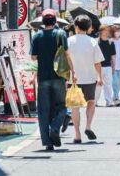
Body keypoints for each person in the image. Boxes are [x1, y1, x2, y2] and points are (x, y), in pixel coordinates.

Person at [30, 8, 71, 151]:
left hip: (42, 77)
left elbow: (33, 57)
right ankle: (55, 127)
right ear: (55, 21)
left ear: (43, 21)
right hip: (59, 76)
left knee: (43, 110)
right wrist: (72, 72)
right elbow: (66, 54)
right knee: (62, 106)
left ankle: (47, 142)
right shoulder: (61, 34)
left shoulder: (37, 36)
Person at [67, 15, 104, 143]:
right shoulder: (93, 42)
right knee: (91, 102)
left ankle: (77, 134)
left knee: (75, 107)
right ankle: (88, 126)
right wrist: (99, 77)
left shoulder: (69, 41)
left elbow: (65, 59)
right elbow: (97, 63)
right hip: (90, 78)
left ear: (76, 27)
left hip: (73, 79)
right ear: (89, 28)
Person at [96, 24, 116, 107]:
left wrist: (113, 66)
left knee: (108, 84)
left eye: (108, 30)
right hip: (97, 66)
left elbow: (113, 56)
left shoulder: (111, 42)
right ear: (101, 31)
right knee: (97, 85)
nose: (107, 32)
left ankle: (109, 101)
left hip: (107, 66)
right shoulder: (96, 42)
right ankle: (94, 101)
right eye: (105, 30)